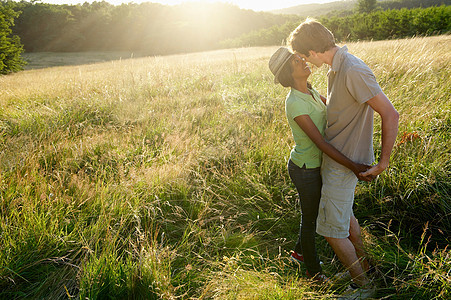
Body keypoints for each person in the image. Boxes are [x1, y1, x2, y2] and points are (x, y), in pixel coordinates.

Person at [288, 19, 399, 299]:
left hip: (344, 161)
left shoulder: (352, 69)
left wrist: (383, 162)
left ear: (313, 52)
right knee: (346, 219)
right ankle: (365, 268)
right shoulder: (335, 70)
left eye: (303, 56)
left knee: (331, 230)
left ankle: (364, 287)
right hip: (338, 159)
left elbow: (390, 114)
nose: (304, 61)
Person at [268, 47, 372, 284]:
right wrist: (354, 166)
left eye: (299, 56)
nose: (303, 60)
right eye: (296, 61)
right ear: (288, 73)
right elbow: (321, 143)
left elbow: (333, 111)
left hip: (320, 165)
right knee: (311, 220)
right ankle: (314, 275)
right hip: (305, 169)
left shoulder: (311, 91)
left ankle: (299, 254)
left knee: (314, 214)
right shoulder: (295, 103)